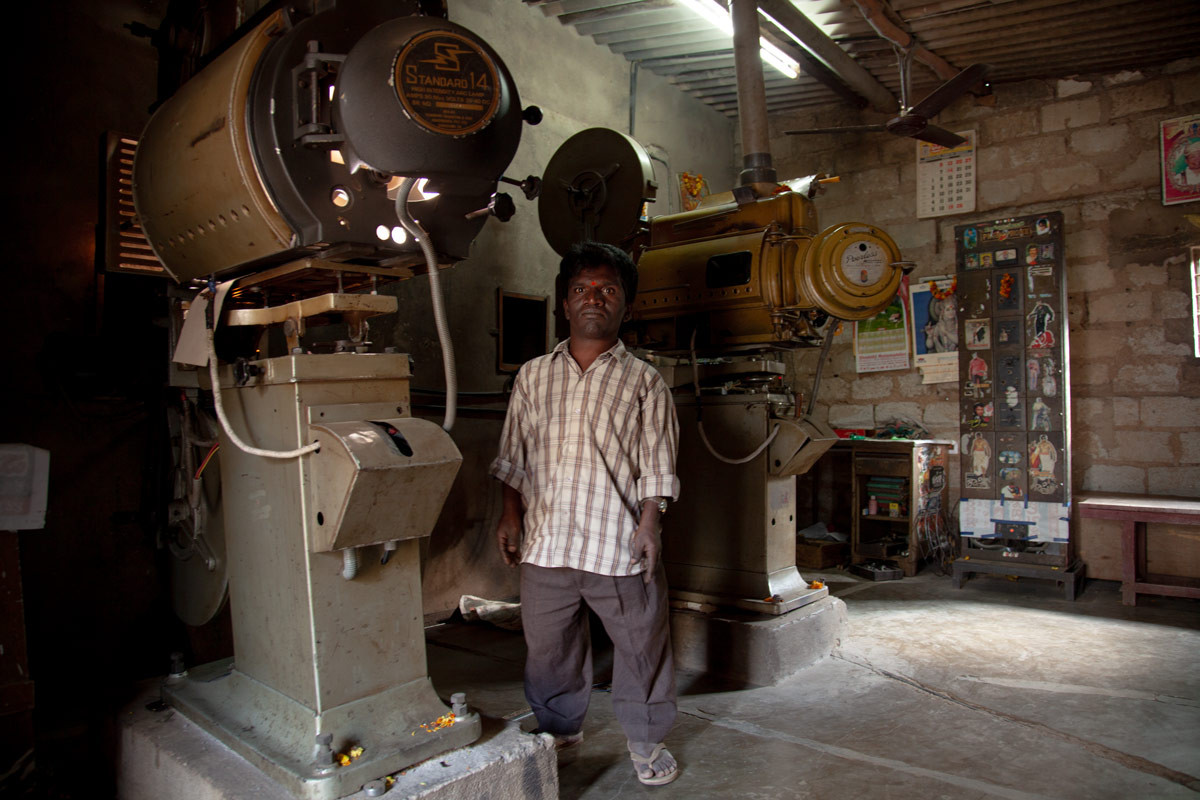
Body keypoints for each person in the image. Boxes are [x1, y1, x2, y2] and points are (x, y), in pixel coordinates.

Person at [490, 241, 681, 786]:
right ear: (565, 305)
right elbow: (513, 456)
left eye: (607, 290)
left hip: (616, 543)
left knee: (641, 645)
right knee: (548, 648)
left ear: (625, 306)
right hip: (548, 542)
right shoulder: (533, 376)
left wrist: (650, 524)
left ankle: (645, 740)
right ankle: (559, 727)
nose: (593, 298)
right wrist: (510, 516)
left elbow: (658, 466)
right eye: (581, 290)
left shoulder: (644, 381)